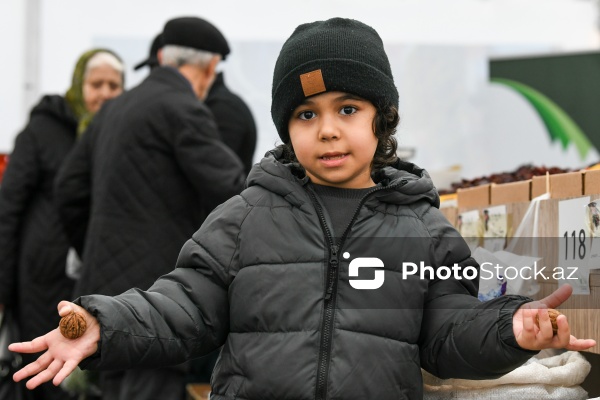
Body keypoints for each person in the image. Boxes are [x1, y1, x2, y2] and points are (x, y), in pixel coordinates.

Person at [9, 18, 597, 400]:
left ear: (382, 118)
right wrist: (102, 323)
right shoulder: (246, 217)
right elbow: (181, 304)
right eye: (306, 114)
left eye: (347, 109)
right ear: (288, 129)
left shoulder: (420, 228)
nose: (328, 131)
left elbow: (447, 332)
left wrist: (509, 329)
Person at [50, 16, 246, 400]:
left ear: (161, 57)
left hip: (99, 295)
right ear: (209, 68)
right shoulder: (184, 109)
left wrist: (97, 247)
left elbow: (68, 188)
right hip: (154, 298)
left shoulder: (114, 108)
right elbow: (232, 192)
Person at [0, 48, 124, 400]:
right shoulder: (43, 129)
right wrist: (3, 287)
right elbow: (8, 207)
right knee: (43, 371)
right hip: (42, 279)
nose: (104, 92)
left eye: (114, 85)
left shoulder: (119, 133)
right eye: (96, 83)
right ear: (78, 84)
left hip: (92, 276)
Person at [135, 30, 257, 175]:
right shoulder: (194, 107)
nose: (157, 80)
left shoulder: (223, 110)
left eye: (160, 70)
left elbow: (217, 178)